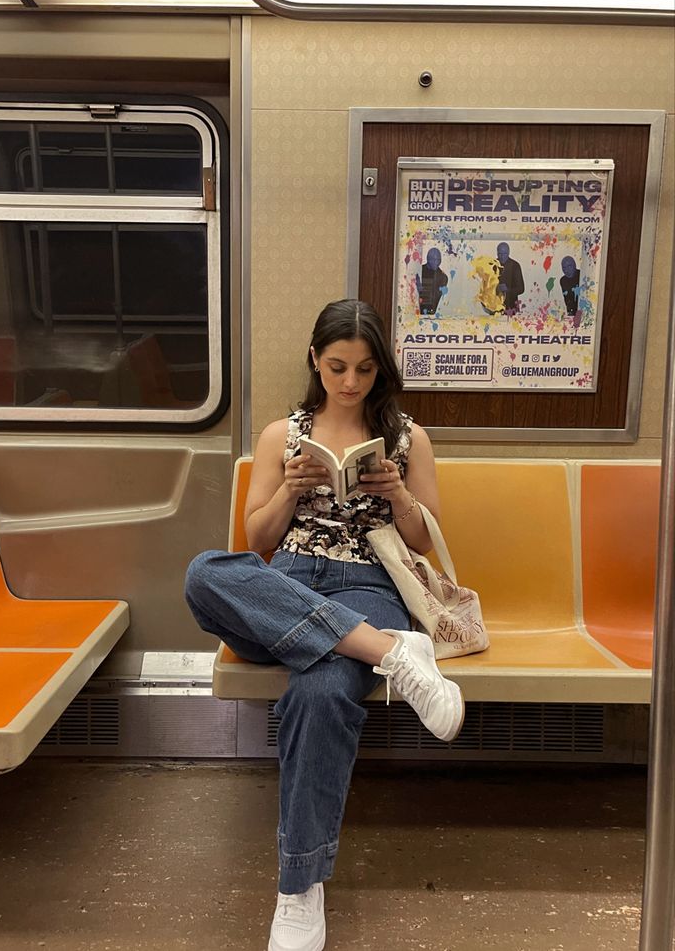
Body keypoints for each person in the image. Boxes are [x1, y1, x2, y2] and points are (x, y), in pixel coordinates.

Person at [184, 299, 464, 951]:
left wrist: (398, 494)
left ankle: (299, 889)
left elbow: (427, 541)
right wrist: (287, 487)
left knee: (318, 689)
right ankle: (391, 654)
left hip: (370, 582)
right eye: (337, 366)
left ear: (378, 370)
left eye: (364, 369)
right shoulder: (282, 434)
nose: (349, 382)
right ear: (315, 360)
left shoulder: (407, 437)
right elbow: (254, 539)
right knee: (203, 572)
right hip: (285, 581)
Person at [415, 247, 448, 315]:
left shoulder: (443, 277)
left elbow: (436, 300)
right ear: (427, 259)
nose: (436, 262)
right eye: (432, 259)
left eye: (438, 260)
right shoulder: (418, 271)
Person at [495, 242, 525, 314]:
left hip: (511, 306)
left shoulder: (515, 266)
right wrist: (495, 288)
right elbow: (487, 287)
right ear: (497, 253)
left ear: (508, 253)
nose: (502, 256)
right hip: (495, 306)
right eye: (500, 254)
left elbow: (521, 289)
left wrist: (507, 290)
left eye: (504, 254)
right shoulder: (493, 265)